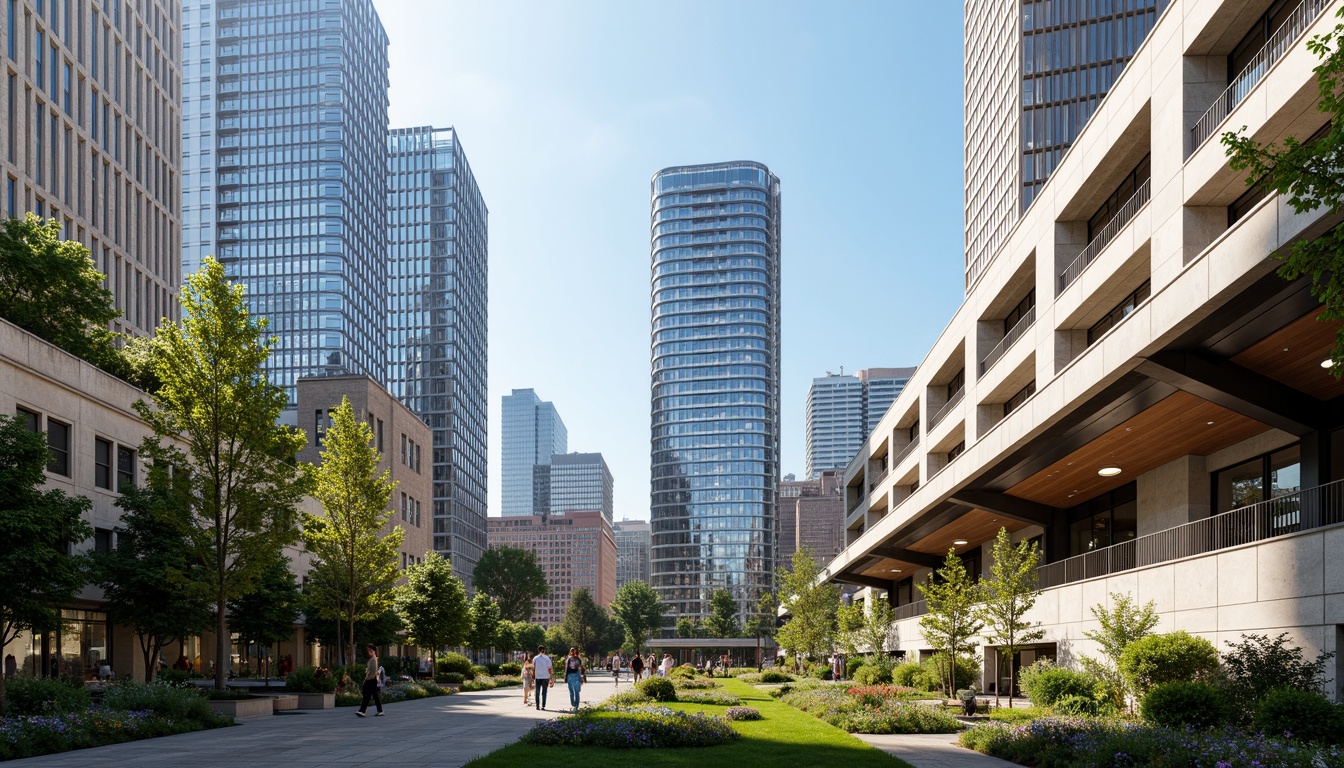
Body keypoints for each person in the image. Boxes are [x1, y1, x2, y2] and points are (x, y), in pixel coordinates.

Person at [355, 645, 384, 717]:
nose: (368, 652)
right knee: (373, 696)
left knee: (367, 695)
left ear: (373, 651)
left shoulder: (373, 660)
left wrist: (367, 679)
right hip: (372, 680)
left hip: (370, 680)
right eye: (368, 651)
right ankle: (378, 710)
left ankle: (363, 711)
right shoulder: (374, 659)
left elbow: (372, 671)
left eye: (370, 651)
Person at [562, 646, 586, 711]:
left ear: (570, 652)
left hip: (570, 675)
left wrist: (565, 677)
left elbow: (566, 668)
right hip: (576, 675)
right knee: (577, 691)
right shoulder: (578, 659)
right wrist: (581, 677)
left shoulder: (568, 659)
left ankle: (573, 704)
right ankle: (576, 706)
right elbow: (580, 668)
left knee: (571, 691)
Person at [532, 645, 554, 711]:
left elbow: (533, 668)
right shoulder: (547, 658)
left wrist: (533, 677)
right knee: (544, 692)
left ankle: (537, 705)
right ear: (544, 650)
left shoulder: (535, 658)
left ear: (538, 650)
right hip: (546, 677)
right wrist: (552, 677)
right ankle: (543, 705)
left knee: (537, 692)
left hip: (538, 677)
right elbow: (550, 669)